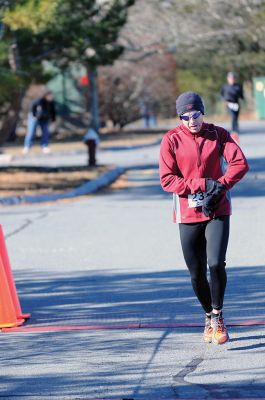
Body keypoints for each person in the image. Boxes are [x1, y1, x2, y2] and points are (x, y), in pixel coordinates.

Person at [159, 91, 249, 345]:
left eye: (195, 114)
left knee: (216, 263)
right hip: (188, 211)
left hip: (217, 209)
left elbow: (239, 164)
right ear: (179, 118)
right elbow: (167, 179)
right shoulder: (171, 139)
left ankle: (218, 316)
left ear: (202, 112)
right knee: (196, 272)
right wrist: (201, 185)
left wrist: (219, 186)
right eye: (185, 117)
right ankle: (208, 315)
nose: (191, 121)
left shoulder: (218, 134)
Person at [23, 90, 56, 154]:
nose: (51, 97)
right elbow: (32, 107)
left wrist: (53, 120)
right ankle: (27, 146)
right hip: (34, 118)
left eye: (52, 96)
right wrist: (34, 116)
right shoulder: (39, 101)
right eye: (50, 96)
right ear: (46, 96)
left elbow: (53, 112)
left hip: (44, 119)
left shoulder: (51, 103)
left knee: (45, 132)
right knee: (31, 131)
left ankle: (44, 146)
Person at [221, 72, 244, 143]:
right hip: (229, 104)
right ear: (228, 79)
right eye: (230, 78)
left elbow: (241, 95)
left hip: (236, 104)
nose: (232, 79)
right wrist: (224, 101)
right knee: (233, 116)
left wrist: (242, 98)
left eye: (233, 78)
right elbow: (221, 94)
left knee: (236, 117)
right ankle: (234, 130)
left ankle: (236, 130)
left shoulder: (238, 86)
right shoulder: (225, 87)